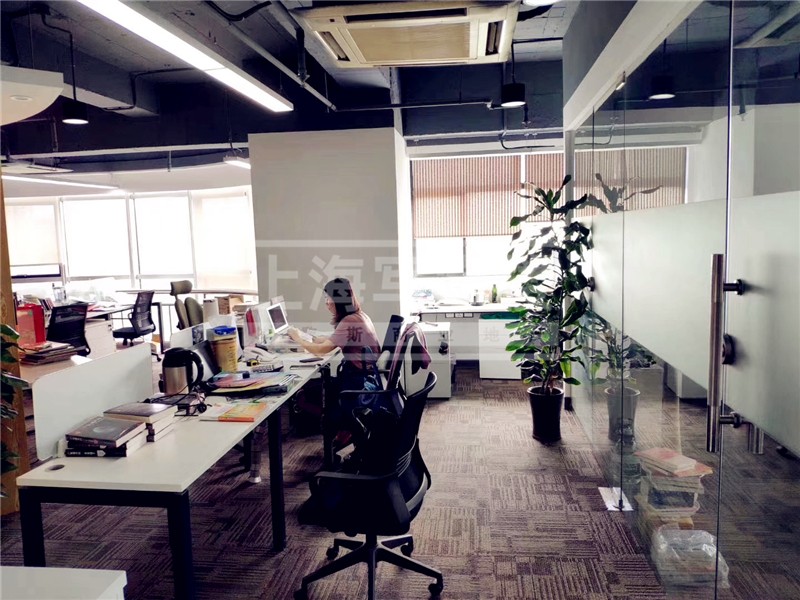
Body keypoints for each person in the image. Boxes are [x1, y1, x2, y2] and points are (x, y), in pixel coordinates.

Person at [287, 277, 381, 390]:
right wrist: (324, 339)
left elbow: (320, 351)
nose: (327, 302)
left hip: (357, 380)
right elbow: (343, 338)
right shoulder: (360, 315)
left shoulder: (349, 321)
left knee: (308, 388)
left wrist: (297, 338)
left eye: (329, 298)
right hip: (364, 375)